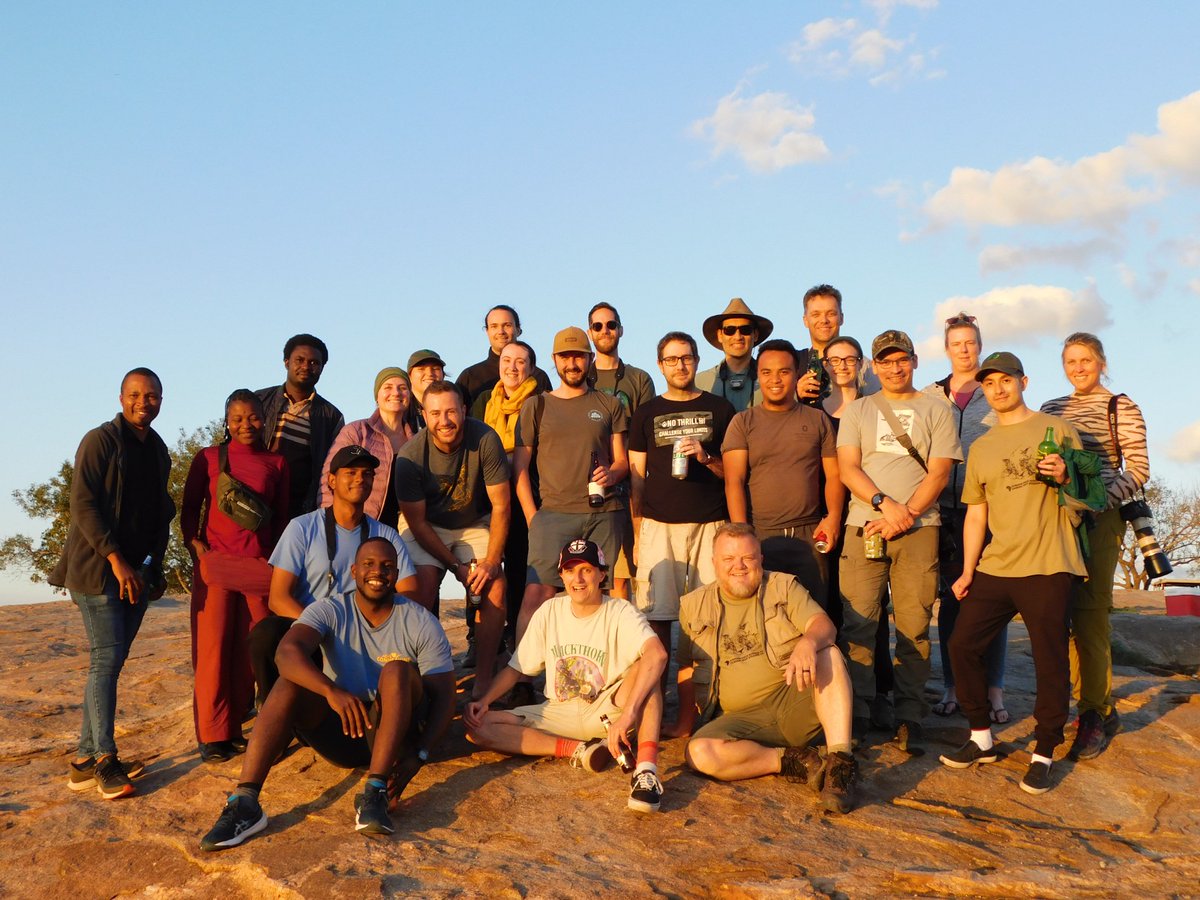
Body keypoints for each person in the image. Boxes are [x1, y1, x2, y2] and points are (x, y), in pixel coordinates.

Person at [200, 538, 456, 848]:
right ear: (354, 571)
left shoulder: (420, 621)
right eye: (369, 564)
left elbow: (445, 696)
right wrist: (330, 690)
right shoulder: (330, 609)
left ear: (397, 573)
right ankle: (246, 801)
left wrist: (421, 753)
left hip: (395, 735)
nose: (378, 572)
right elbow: (286, 652)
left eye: (388, 566)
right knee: (291, 680)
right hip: (345, 729)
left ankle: (374, 792)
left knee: (397, 670)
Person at [939, 352, 1089, 795]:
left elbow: (1087, 492)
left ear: (1024, 381)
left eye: (1006, 380)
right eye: (990, 384)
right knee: (961, 645)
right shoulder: (981, 447)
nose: (998, 389)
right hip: (997, 565)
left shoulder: (1056, 430)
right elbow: (975, 515)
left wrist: (1065, 477)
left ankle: (1043, 752)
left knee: (1049, 660)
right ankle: (981, 737)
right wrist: (968, 570)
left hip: (1049, 563)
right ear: (983, 390)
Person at [465, 539, 668, 813]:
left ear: (601, 574)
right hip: (557, 713)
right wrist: (485, 700)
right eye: (570, 571)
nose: (578, 578)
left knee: (647, 668)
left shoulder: (620, 611)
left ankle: (645, 772)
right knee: (477, 727)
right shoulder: (550, 610)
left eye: (586, 569)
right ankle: (578, 750)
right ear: (561, 576)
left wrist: (629, 715)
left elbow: (658, 655)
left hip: (609, 711)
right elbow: (517, 668)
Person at [673, 524, 858, 814]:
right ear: (714, 563)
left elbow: (823, 625)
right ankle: (794, 761)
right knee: (699, 754)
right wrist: (685, 723)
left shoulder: (783, 586)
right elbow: (686, 665)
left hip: (794, 697)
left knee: (828, 653)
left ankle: (839, 766)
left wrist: (809, 641)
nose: (739, 566)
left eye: (748, 557)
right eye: (728, 559)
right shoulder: (694, 605)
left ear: (761, 559)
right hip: (741, 720)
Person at [50, 367, 174, 799]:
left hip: (136, 575)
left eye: (153, 395)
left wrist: (150, 566)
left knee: (112, 663)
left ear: (161, 399)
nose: (145, 402)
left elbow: (163, 511)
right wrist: (117, 560)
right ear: (122, 397)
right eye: (136, 394)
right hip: (96, 570)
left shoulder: (158, 450)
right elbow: (82, 505)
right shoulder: (100, 441)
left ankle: (84, 759)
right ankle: (105, 758)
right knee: (105, 660)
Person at [836, 330, 962, 752]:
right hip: (863, 525)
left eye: (901, 359)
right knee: (859, 623)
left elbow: (940, 472)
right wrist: (883, 504)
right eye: (885, 361)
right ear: (873, 366)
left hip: (920, 529)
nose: (894, 368)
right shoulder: (858, 410)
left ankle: (910, 715)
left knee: (913, 625)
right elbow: (848, 468)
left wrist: (903, 516)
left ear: (914, 360)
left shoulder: (936, 409)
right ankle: (858, 713)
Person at [1040, 333, 1149, 760]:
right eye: (1070, 361)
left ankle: (1094, 713)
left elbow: (1138, 468)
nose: (1078, 368)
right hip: (1058, 519)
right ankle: (1090, 703)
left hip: (1101, 520)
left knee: (1090, 613)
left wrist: (1099, 502)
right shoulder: (1052, 409)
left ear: (1101, 362)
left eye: (1086, 360)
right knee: (1062, 613)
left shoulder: (1120, 406)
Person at [249, 446, 417, 702]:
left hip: (365, 637)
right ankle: (272, 705)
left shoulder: (385, 535)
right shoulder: (302, 528)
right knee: (266, 633)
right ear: (331, 480)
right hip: (311, 633)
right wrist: (321, 629)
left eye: (367, 473)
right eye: (351, 472)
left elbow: (410, 592)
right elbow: (278, 598)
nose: (360, 478)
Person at [182, 390, 290, 762]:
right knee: (212, 651)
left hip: (259, 568)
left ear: (265, 418)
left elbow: (282, 519)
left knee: (254, 651)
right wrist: (194, 545)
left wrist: (277, 561)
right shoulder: (209, 458)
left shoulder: (276, 462)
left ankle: (257, 725)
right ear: (226, 421)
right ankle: (214, 736)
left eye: (254, 417)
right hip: (216, 567)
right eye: (238, 418)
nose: (246, 425)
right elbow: (191, 506)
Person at [393, 381, 511, 699]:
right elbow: (416, 522)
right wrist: (456, 566)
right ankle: (415, 675)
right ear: (423, 416)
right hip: (427, 524)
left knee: (495, 586)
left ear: (463, 410)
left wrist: (489, 562)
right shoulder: (410, 456)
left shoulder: (485, 438)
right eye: (435, 413)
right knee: (420, 587)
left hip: (473, 520)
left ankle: (484, 679)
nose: (444, 420)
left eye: (450, 411)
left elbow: (501, 505)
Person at [512, 327, 628, 635]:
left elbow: (622, 462)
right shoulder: (537, 406)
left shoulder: (609, 405)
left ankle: (608, 670)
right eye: (565, 357)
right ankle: (522, 674)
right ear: (554, 360)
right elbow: (520, 469)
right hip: (552, 514)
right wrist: (533, 518)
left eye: (578, 356)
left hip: (603, 512)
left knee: (605, 594)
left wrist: (612, 474)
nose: (572, 363)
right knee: (538, 594)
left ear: (590, 359)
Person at [628, 331, 735, 661]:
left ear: (697, 361)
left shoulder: (720, 408)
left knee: (710, 617)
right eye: (672, 359)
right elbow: (636, 479)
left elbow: (733, 473)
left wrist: (706, 458)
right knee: (656, 617)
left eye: (686, 358)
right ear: (660, 365)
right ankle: (656, 706)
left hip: (711, 524)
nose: (680, 365)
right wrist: (637, 532)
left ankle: (702, 706)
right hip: (658, 525)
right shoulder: (646, 413)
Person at [921, 313, 1007, 722]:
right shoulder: (930, 395)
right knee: (950, 599)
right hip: (940, 508)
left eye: (971, 342)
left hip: (986, 508)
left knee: (991, 599)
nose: (965, 349)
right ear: (947, 348)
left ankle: (994, 690)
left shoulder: (995, 392)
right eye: (957, 343)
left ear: (980, 344)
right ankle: (953, 687)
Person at [723, 339, 843, 610]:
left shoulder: (817, 419)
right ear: (758, 376)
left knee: (815, 617)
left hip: (810, 537)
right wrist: (744, 537)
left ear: (796, 374)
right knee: (765, 620)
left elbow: (834, 476)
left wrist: (833, 518)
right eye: (766, 372)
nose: (775, 379)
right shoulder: (743, 422)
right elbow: (734, 482)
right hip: (762, 537)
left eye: (784, 371)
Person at [821, 336, 895, 726]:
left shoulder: (875, 407)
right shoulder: (815, 408)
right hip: (827, 513)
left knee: (871, 607)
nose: (842, 365)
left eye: (850, 358)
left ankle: (880, 691)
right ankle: (839, 689)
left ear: (861, 363)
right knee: (834, 602)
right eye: (834, 359)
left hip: (867, 513)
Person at [586, 301, 655, 600]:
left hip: (629, 484)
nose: (605, 330)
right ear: (590, 332)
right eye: (598, 326)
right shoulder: (579, 376)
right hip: (586, 486)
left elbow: (646, 437)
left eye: (611, 324)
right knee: (587, 570)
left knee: (622, 573)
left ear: (621, 330)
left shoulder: (638, 379)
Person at [482, 340, 545, 649]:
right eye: (507, 360)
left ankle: (523, 642)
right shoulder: (487, 402)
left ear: (531, 368)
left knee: (522, 566)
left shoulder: (541, 402)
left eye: (520, 362)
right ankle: (486, 640)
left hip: (528, 494)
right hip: (492, 495)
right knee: (490, 566)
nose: (512, 367)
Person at [256, 334, 344, 520]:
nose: (306, 366)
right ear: (286, 362)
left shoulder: (331, 417)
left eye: (314, 362)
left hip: (299, 509)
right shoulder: (260, 400)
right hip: (255, 499)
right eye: (300, 360)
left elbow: (331, 469)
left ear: (322, 368)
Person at [320, 367, 416, 527]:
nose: (396, 393)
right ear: (377, 396)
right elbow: (328, 479)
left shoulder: (416, 442)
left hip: (404, 531)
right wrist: (330, 524)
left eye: (403, 388)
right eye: (388, 387)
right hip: (359, 526)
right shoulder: (356, 431)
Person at [457, 305, 553, 420]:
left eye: (507, 325)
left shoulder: (538, 376)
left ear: (518, 330)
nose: (501, 331)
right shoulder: (470, 376)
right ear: (487, 331)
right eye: (494, 326)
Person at [695, 298, 774, 412]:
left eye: (745, 330)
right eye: (729, 330)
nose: (738, 336)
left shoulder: (773, 380)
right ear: (720, 335)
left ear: (755, 334)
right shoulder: (700, 383)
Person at [406, 349, 448, 431]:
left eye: (435, 368)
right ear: (409, 376)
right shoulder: (402, 410)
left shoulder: (453, 404)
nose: (429, 374)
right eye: (421, 369)